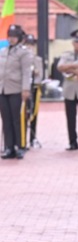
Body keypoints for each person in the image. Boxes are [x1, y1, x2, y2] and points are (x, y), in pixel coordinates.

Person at [0, 24, 32, 159]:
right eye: (10, 36)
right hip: (3, 89)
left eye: (14, 36)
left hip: (16, 89)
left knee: (17, 119)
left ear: (19, 38)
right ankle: (9, 147)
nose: (11, 39)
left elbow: (26, 72)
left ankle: (21, 146)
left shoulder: (24, 52)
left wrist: (25, 89)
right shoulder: (3, 51)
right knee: (6, 119)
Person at [23, 33, 44, 149]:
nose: (29, 47)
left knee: (33, 114)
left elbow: (40, 75)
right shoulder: (21, 59)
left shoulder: (38, 59)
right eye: (27, 44)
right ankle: (22, 139)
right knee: (22, 115)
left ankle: (32, 138)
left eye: (31, 45)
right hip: (23, 89)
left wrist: (35, 73)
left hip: (34, 88)